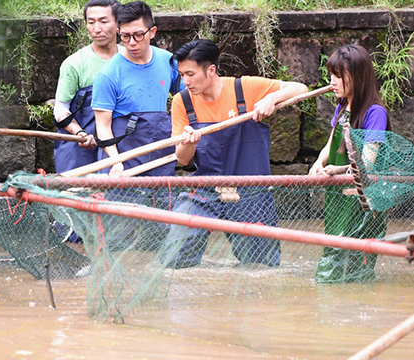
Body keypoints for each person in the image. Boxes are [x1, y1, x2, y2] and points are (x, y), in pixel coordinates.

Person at [158, 39, 308, 269]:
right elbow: (183, 159)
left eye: (190, 74)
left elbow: (300, 89)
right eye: (181, 75)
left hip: (249, 191)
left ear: (211, 70)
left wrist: (271, 98)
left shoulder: (244, 88)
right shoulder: (182, 101)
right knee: (175, 254)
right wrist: (188, 142)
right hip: (206, 188)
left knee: (261, 267)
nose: (185, 81)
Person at [309, 44, 390, 283]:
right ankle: (330, 293)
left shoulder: (375, 113)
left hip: (363, 196)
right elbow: (330, 143)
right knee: (334, 243)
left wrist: (340, 170)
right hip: (340, 193)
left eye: (338, 76)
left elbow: (368, 161)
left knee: (358, 258)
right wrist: (318, 163)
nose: (332, 82)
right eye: (331, 76)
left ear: (356, 77)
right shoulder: (343, 107)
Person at [91, 0, 182, 176]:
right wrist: (116, 161)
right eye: (125, 36)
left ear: (152, 32)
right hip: (121, 158)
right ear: (118, 33)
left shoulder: (169, 62)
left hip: (159, 154)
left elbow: (190, 98)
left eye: (138, 35)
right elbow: (102, 126)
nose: (132, 42)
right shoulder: (108, 74)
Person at [52, 0, 123, 173]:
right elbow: (60, 108)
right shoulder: (74, 64)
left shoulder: (130, 59)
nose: (96, 29)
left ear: (118, 24)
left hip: (120, 142)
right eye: (91, 22)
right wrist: (79, 134)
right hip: (79, 149)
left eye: (104, 21)